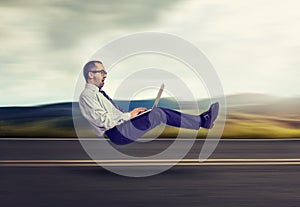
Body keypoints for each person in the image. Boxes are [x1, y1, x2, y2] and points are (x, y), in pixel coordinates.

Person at [79, 60, 219, 145]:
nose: (105, 75)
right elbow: (103, 121)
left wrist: (136, 115)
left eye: (105, 72)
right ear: (91, 74)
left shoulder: (98, 94)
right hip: (117, 133)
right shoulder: (87, 96)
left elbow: (115, 115)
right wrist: (130, 116)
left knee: (156, 113)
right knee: (158, 114)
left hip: (121, 127)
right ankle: (202, 121)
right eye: (102, 71)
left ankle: (201, 121)